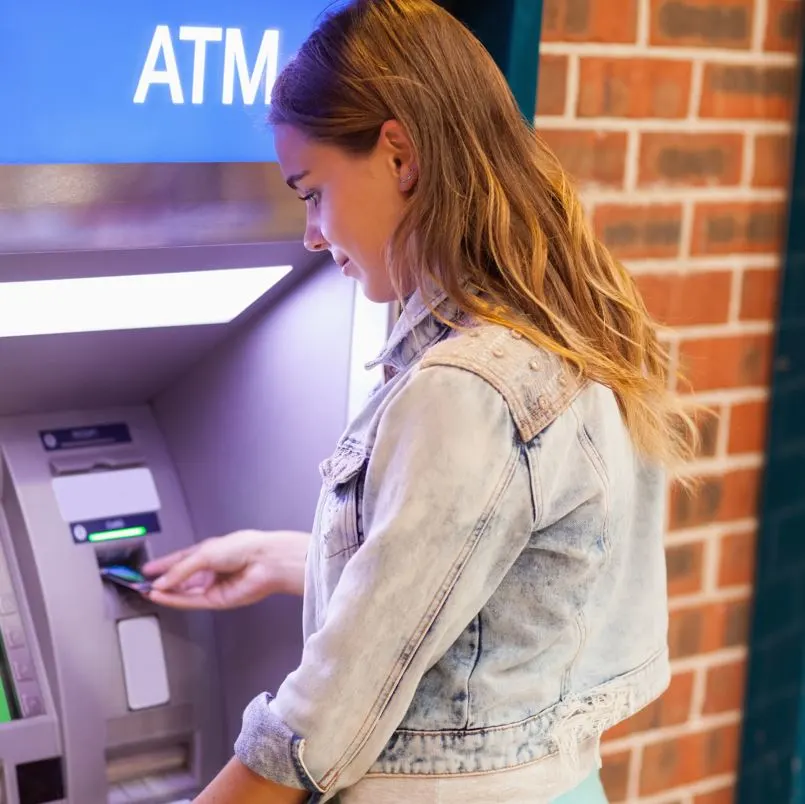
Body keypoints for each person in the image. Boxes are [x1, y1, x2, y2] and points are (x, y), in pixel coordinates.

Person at [144, 1, 697, 801]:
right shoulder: (574, 331)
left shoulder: (467, 387)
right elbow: (499, 591)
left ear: (398, 154)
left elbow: (321, 723)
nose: (309, 233)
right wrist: (280, 559)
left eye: (311, 192)